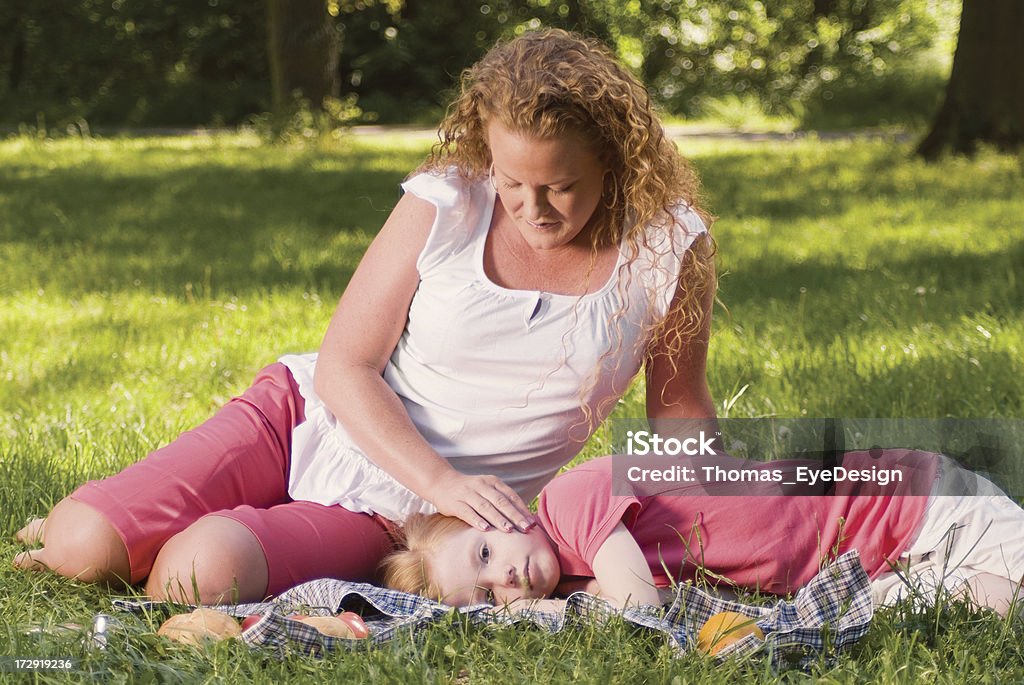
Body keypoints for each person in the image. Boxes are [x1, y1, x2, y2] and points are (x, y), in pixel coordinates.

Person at [12, 29, 717, 605]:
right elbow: (345, 367)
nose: (532, 209)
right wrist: (442, 477)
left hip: (406, 524)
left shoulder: (666, 250)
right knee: (79, 548)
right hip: (302, 420)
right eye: (511, 184)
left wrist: (745, 512)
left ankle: (174, 531)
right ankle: (114, 525)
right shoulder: (448, 201)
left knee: (195, 578)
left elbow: (678, 411)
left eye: (561, 186)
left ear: (614, 163)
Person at [380, 453, 1024, 616]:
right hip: (867, 572)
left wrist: (537, 611)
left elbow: (640, 608)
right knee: (1001, 600)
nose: (505, 579)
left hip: (896, 503)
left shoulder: (572, 502)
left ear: (504, 511)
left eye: (486, 553)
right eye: (487, 596)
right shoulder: (575, 577)